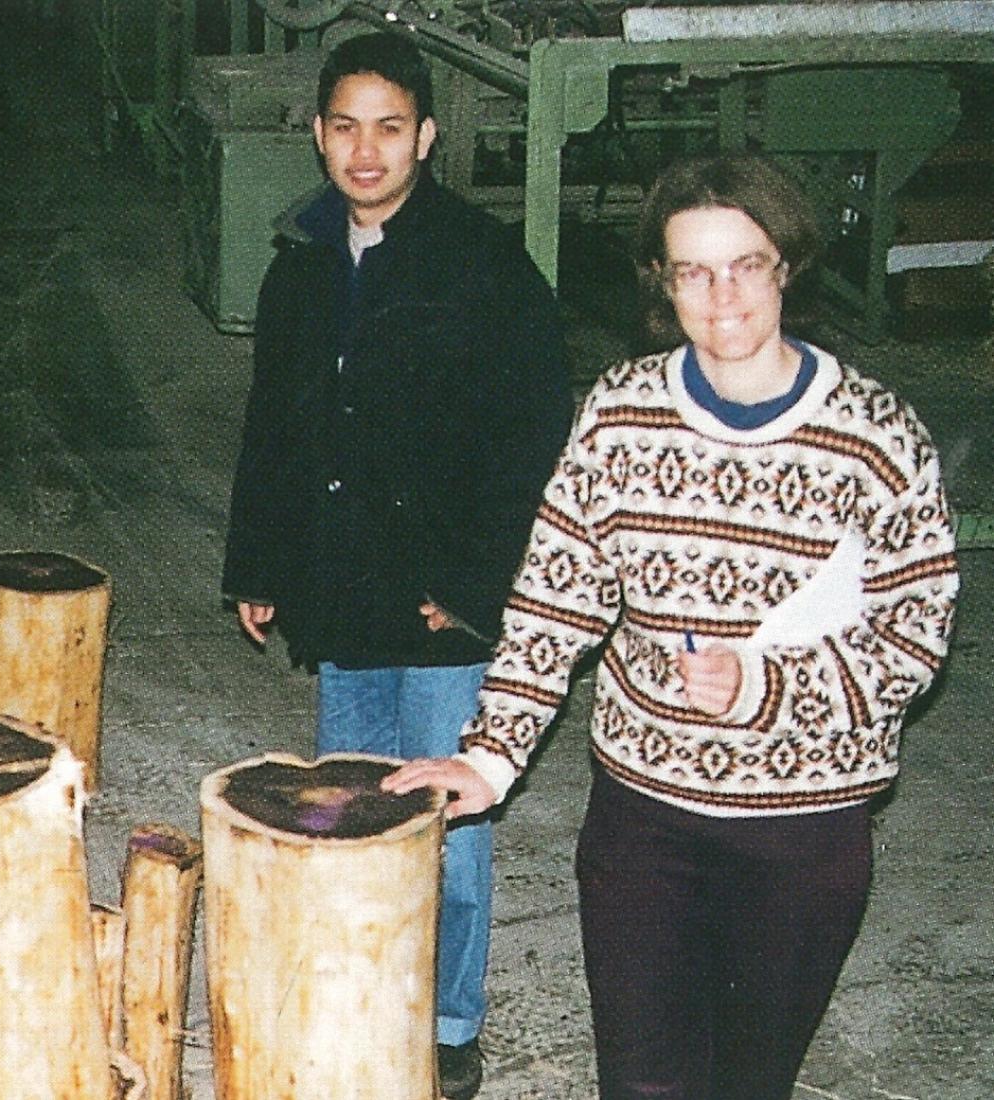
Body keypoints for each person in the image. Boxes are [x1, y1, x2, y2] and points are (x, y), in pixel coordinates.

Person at [384, 153, 960, 1099]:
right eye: (693, 269)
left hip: (803, 831)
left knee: (744, 1084)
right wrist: (487, 759)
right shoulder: (620, 413)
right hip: (644, 820)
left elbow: (915, 636)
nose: (722, 294)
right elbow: (553, 599)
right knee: (643, 1084)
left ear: (788, 267)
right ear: (662, 282)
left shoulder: (876, 436)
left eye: (746, 263)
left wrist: (764, 686)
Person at [220, 33, 573, 1098]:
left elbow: (530, 437)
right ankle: (362, 988)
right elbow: (273, 427)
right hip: (341, 587)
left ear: (425, 135)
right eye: (343, 125)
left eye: (388, 126)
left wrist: (472, 586)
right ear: (319, 133)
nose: (364, 150)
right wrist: (259, 561)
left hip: (437, 602)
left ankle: (450, 1017)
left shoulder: (481, 264)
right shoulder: (300, 259)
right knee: (349, 807)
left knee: (445, 817)